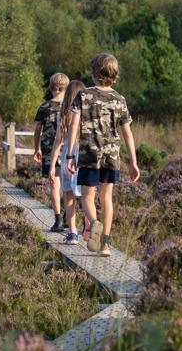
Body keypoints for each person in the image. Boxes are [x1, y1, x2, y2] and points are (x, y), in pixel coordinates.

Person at [66, 53, 140, 256]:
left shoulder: (84, 95)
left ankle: (95, 223)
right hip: (112, 155)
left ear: (94, 72)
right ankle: (105, 243)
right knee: (107, 197)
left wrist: (70, 155)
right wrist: (133, 162)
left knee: (87, 196)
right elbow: (128, 133)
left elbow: (74, 125)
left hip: (89, 153)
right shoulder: (120, 99)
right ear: (114, 74)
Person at [48, 79, 86, 245]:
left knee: (68, 195)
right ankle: (88, 225)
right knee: (87, 194)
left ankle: (72, 233)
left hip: (67, 156)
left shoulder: (63, 113)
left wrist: (52, 164)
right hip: (85, 156)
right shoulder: (88, 111)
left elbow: (58, 141)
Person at [33, 73, 69, 232]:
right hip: (68, 149)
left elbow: (37, 130)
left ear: (51, 86)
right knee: (68, 185)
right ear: (66, 87)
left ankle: (58, 220)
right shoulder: (71, 107)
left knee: (54, 184)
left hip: (49, 150)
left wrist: (37, 149)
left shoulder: (45, 107)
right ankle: (69, 217)